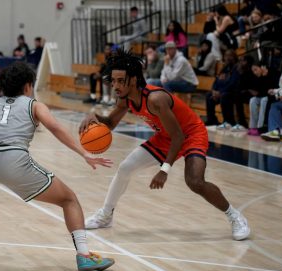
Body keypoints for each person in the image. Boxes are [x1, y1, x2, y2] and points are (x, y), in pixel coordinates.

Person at [0, 62, 115, 271]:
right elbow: (54, 127)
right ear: (28, 86)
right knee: (68, 199)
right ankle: (84, 256)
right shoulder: (34, 104)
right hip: (14, 160)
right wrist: (84, 153)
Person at [80, 49, 250, 241]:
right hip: (166, 136)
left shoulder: (155, 99)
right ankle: (106, 215)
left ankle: (234, 216)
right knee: (125, 168)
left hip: (190, 134)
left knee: (195, 182)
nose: (115, 85)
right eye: (113, 80)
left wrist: (164, 170)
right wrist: (95, 117)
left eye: (121, 81)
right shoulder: (125, 98)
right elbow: (110, 123)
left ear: (134, 80)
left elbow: (179, 136)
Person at [247, 62, 280, 136]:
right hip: (263, 95)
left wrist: (265, 77)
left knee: (264, 100)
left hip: (272, 96)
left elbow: (272, 88)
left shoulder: (272, 72)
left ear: (261, 67)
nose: (255, 73)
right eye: (253, 71)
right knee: (252, 100)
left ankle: (260, 127)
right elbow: (260, 90)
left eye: (256, 70)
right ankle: (253, 127)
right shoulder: (258, 76)